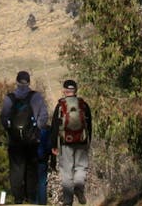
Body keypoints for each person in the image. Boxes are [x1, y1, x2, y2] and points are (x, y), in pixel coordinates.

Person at [0, 70, 48, 203]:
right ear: (29, 82)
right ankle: (30, 197)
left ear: (16, 82)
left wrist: (10, 130)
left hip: (14, 140)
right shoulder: (36, 97)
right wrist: (36, 129)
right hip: (32, 140)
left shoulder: (9, 98)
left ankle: (17, 198)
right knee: (31, 168)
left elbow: (3, 117)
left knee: (16, 169)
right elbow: (44, 116)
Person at [51, 78, 92, 206]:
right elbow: (89, 125)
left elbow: (54, 127)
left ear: (64, 91)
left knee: (66, 172)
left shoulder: (60, 106)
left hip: (65, 142)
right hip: (81, 141)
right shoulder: (83, 105)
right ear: (76, 90)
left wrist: (53, 145)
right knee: (81, 167)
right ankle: (79, 188)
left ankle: (68, 201)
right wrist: (88, 141)